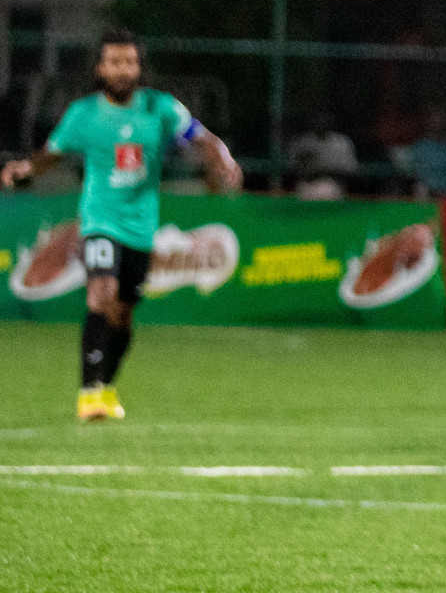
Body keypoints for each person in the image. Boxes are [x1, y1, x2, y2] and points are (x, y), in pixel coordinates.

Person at [1, 27, 242, 420]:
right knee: (101, 293)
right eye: (114, 61)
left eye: (129, 62)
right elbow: (52, 153)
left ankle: (107, 386)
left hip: (141, 227)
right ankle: (88, 394)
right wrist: (25, 170)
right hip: (99, 219)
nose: (122, 69)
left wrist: (223, 161)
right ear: (100, 67)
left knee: (123, 313)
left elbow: (203, 138)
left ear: (139, 67)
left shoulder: (159, 108)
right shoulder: (83, 113)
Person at [287, 111, 357, 200]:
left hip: (332, 184)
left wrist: (325, 170)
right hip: (307, 185)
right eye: (317, 119)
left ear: (331, 121)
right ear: (311, 121)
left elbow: (351, 169)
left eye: (324, 118)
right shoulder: (303, 141)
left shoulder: (341, 142)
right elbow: (293, 166)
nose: (321, 121)